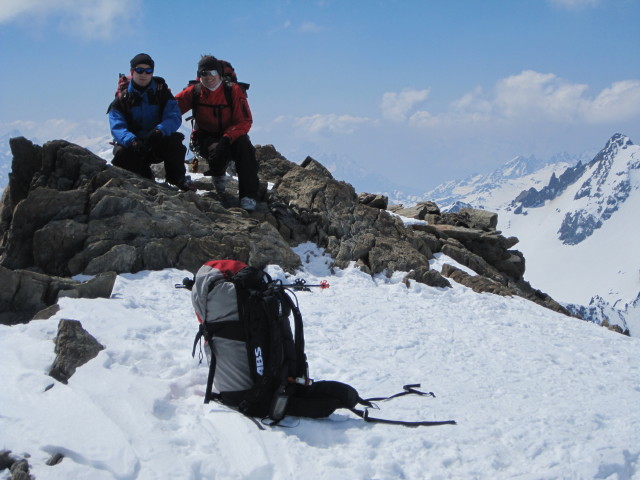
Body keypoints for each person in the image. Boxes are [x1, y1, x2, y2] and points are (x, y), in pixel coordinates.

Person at [175, 55, 259, 210]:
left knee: (245, 148)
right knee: (215, 149)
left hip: (231, 135)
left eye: (212, 72)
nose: (208, 77)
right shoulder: (194, 92)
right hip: (204, 137)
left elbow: (244, 121)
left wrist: (226, 139)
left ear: (220, 74)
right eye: (203, 73)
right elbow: (172, 109)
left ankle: (248, 196)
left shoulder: (233, 90)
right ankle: (218, 172)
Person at [108, 53, 194, 191]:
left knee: (175, 142)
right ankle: (146, 178)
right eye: (139, 70)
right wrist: (132, 141)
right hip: (134, 147)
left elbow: (174, 116)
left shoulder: (162, 93)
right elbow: (117, 126)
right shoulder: (122, 100)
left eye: (148, 71)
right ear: (132, 71)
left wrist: (159, 131)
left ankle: (177, 178)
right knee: (120, 154)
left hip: (156, 143)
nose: (144, 74)